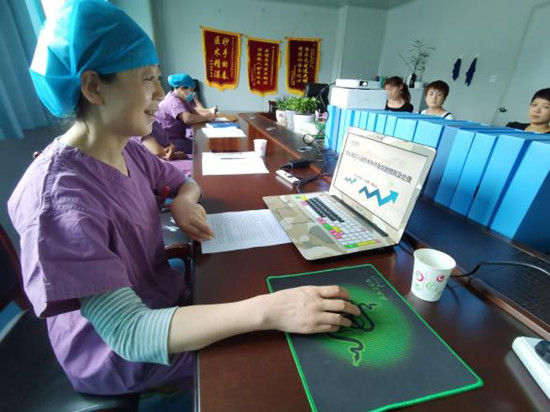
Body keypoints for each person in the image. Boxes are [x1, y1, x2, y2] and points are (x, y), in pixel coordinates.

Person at [8, 0, 359, 396]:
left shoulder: (127, 149)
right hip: (116, 351)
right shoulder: (58, 201)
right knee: (278, 359)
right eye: (147, 78)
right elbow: (129, 333)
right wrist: (271, 309)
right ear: (93, 87)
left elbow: (185, 183)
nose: (161, 94)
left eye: (159, 79)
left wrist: (183, 201)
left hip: (163, 301)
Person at [152, 73, 217, 154]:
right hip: (170, 141)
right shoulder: (173, 101)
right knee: (202, 147)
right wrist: (207, 118)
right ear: (182, 88)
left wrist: (210, 115)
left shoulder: (181, 99)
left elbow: (194, 111)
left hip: (178, 137)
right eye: (191, 90)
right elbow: (187, 118)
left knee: (204, 143)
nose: (192, 93)